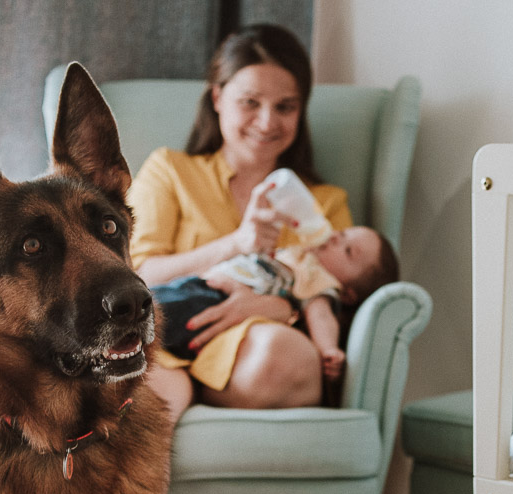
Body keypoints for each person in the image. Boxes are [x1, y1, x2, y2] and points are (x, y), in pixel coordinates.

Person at [126, 23, 356, 421]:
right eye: (250, 102)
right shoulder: (170, 170)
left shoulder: (326, 204)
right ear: (217, 97)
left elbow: (338, 296)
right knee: (151, 383)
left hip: (253, 356)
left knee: (283, 357)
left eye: (285, 107)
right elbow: (139, 275)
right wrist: (237, 242)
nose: (267, 122)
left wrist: (276, 307)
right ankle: (187, 391)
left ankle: (210, 389)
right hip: (163, 340)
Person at [150, 225, 398, 388]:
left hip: (216, 301)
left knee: (158, 312)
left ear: (348, 295)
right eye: (342, 234)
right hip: (203, 283)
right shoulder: (303, 253)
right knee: (159, 299)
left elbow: (321, 315)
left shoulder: (322, 283)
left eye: (347, 250)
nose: (334, 238)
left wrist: (328, 349)